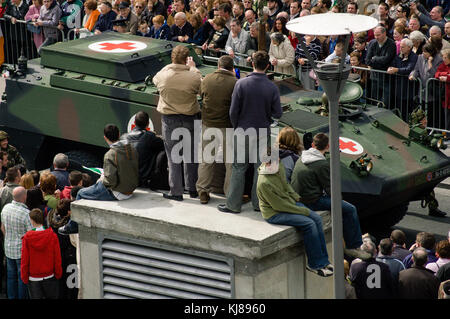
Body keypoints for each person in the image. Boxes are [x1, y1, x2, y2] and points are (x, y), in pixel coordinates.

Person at [218, 50, 282, 214]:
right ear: (268, 66)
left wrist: (237, 126)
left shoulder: (241, 84)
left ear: (252, 63)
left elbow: (233, 111)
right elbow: (278, 114)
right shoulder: (272, 87)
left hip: (243, 130)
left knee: (239, 168)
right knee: (260, 168)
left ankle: (233, 204)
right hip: (262, 131)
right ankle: (257, 203)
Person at [291, 133, 370, 260]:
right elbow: (331, 189)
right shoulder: (321, 164)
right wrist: (340, 201)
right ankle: (353, 246)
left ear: (312, 145)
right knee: (350, 209)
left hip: (299, 198)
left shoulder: (303, 157)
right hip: (312, 201)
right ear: (327, 147)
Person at [257, 159, 333, 277]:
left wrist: (295, 196)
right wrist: (302, 210)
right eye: (275, 163)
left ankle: (323, 260)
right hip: (274, 213)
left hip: (288, 203)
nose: (278, 165)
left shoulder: (277, 166)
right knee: (309, 224)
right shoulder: (264, 183)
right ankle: (314, 264)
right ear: (267, 164)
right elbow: (279, 205)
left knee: (317, 219)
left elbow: (285, 184)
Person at [153, 45, 202, 201]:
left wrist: (170, 65)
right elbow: (202, 88)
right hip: (190, 117)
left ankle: (176, 191)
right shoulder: (193, 76)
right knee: (191, 155)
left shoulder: (164, 76)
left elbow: (155, 78)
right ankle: (192, 188)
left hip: (169, 119)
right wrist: (192, 68)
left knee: (173, 157)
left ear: (172, 58)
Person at [196, 55, 236, 204]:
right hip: (227, 126)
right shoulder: (235, 83)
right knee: (230, 162)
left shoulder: (206, 79)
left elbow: (202, 95)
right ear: (232, 68)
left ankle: (203, 192)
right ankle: (229, 193)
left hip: (208, 124)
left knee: (206, 160)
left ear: (218, 66)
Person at [76, 124, 139, 201]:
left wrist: (102, 180)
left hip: (119, 193)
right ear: (119, 134)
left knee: (80, 192)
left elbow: (110, 182)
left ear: (105, 138)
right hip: (132, 188)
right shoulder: (132, 148)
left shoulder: (110, 155)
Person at [20, 208, 62, 299]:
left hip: (33, 277)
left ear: (32, 220)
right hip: (49, 275)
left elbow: (25, 259)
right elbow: (57, 257)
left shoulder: (27, 238)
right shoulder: (52, 236)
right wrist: (58, 273)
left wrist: (24, 276)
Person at [121, 111, 166, 190]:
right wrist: (155, 136)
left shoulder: (123, 137)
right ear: (148, 124)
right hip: (142, 180)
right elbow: (165, 145)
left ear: (134, 122)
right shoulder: (149, 137)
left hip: (127, 178)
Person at [1, 186, 32, 299]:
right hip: (21, 251)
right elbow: (31, 235)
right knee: (22, 278)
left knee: (11, 277)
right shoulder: (26, 214)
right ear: (24, 197)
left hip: (8, 248)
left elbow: (2, 227)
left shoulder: (6, 208)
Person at [47, 199, 77, 299]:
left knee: (61, 284)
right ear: (68, 212)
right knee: (72, 284)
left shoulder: (51, 218)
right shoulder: (70, 225)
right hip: (70, 257)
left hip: (57, 256)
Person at [409, 42, 444, 129]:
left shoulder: (438, 60)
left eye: (426, 52)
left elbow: (434, 74)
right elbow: (416, 69)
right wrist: (413, 75)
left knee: (433, 113)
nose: (423, 53)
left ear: (431, 52)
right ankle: (422, 130)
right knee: (421, 112)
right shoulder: (420, 57)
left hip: (432, 91)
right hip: (422, 90)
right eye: (423, 51)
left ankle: (432, 129)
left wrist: (430, 63)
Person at [386, 38, 418, 120]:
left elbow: (409, 69)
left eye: (403, 47)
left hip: (408, 88)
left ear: (409, 47)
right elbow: (393, 64)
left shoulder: (414, 57)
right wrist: (390, 68)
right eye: (400, 47)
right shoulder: (398, 55)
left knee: (407, 110)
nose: (400, 49)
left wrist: (397, 70)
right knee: (398, 109)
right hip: (398, 87)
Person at [366, 26, 396, 108]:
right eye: (375, 35)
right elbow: (368, 61)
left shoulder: (391, 44)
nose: (376, 37)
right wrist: (379, 61)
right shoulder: (372, 43)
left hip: (386, 78)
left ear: (384, 33)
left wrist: (375, 58)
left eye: (378, 35)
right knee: (374, 101)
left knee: (385, 103)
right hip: (374, 77)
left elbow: (387, 60)